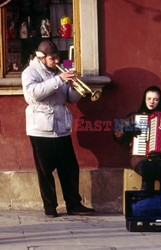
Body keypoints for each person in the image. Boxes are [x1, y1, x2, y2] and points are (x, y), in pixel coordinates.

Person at [21, 40, 95, 217]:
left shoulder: (61, 69)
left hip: (61, 126)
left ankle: (74, 204)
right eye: (52, 58)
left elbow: (71, 99)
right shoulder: (30, 72)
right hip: (40, 128)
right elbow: (33, 95)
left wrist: (75, 85)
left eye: (57, 57)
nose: (56, 61)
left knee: (70, 168)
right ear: (41, 57)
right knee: (45, 171)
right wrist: (58, 79)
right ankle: (50, 207)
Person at [114, 86, 161, 191]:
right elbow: (117, 135)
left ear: (159, 101)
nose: (151, 102)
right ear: (144, 99)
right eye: (149, 99)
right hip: (140, 157)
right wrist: (127, 129)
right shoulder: (135, 117)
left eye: (155, 99)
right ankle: (146, 203)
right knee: (147, 168)